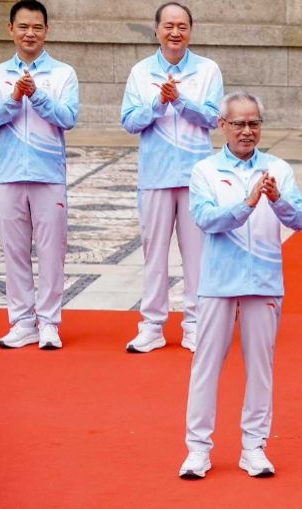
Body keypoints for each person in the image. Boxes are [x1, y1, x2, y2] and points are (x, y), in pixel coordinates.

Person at [178, 91, 302, 479]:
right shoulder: (204, 171)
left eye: (253, 123)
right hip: (218, 281)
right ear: (222, 126)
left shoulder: (277, 169)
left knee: (261, 368)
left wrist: (277, 199)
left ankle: (254, 447)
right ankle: (197, 449)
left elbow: (299, 219)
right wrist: (247, 204)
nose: (246, 131)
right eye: (238, 124)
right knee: (205, 367)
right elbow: (205, 219)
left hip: (264, 281)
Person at [121, 2, 223, 354]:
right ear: (156, 30)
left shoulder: (207, 70)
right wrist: (157, 104)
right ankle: (152, 326)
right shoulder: (141, 72)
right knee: (154, 254)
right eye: (168, 26)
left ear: (190, 31)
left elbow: (213, 118)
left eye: (182, 26)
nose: (175, 32)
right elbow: (129, 121)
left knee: (196, 255)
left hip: (196, 176)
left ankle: (195, 324)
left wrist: (180, 101)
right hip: (156, 175)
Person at [0, 0, 78, 350]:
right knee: (14, 252)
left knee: (51, 252)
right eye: (23, 27)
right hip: (8, 174)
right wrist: (15, 98)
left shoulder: (63, 74)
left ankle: (48, 323)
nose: (30, 33)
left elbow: (68, 117)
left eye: (36, 27)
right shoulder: (0, 74)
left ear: (46, 31)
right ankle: (22, 322)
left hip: (48, 176)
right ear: (11, 29)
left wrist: (38, 96)